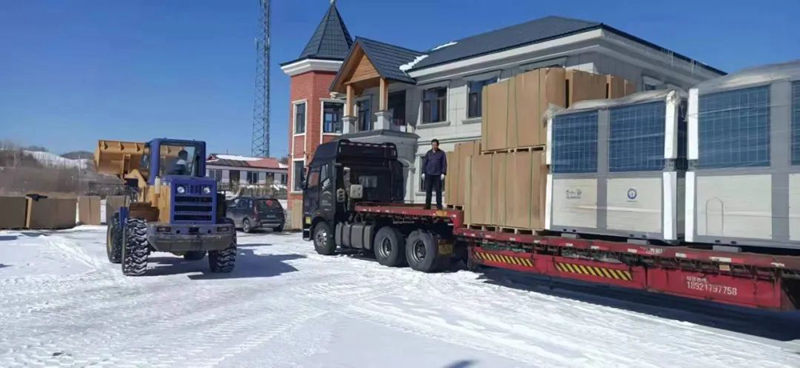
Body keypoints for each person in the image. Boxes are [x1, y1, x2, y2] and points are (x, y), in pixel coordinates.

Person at [421, 138, 447, 210]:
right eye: (433, 145)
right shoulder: (428, 153)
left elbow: (444, 163)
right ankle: (427, 205)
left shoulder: (442, 153)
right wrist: (423, 172)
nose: (434, 146)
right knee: (428, 190)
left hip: (438, 174)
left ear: (438, 145)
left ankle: (439, 206)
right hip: (429, 174)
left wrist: (443, 173)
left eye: (435, 145)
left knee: (438, 191)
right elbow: (424, 163)